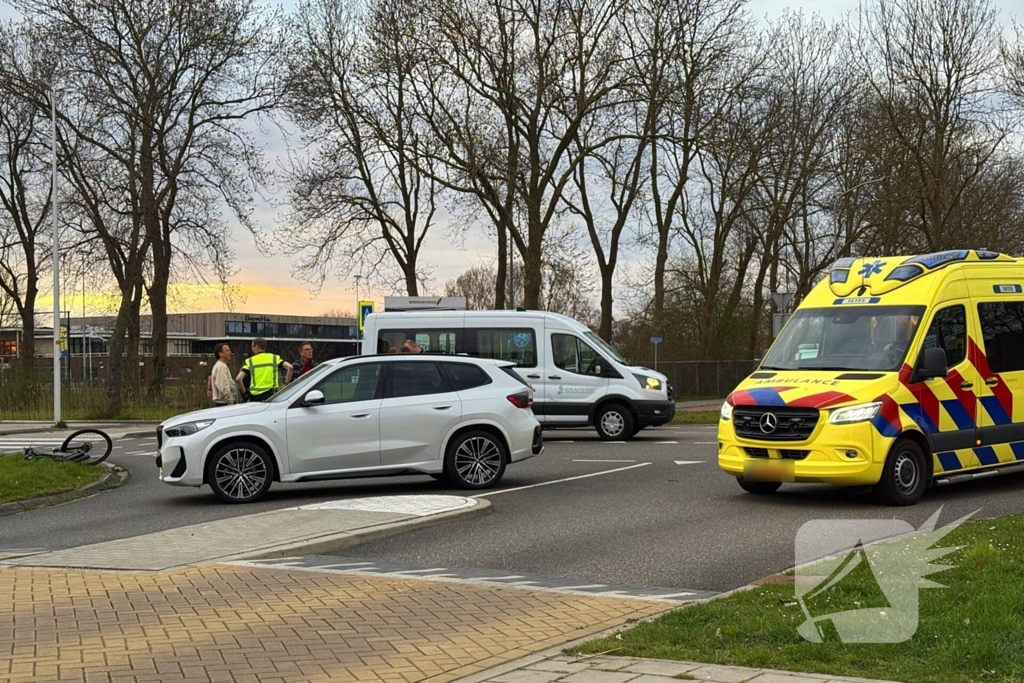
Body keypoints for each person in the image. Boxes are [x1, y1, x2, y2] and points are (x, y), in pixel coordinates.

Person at [236, 338, 293, 402]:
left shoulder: (250, 361)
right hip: (272, 395)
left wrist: (245, 394)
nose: (251, 348)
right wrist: (286, 385)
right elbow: (290, 367)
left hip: (256, 397)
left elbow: (238, 379)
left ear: (257, 347)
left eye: (252, 346)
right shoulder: (274, 358)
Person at [210, 343, 237, 407]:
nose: (230, 352)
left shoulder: (222, 365)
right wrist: (230, 400)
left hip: (223, 402)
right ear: (220, 354)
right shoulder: (221, 367)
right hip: (223, 403)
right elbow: (223, 386)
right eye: (227, 351)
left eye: (229, 350)